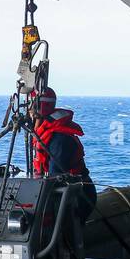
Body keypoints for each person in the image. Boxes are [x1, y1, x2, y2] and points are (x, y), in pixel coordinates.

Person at [29, 87, 97, 221]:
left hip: (78, 196)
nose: (27, 110)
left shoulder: (59, 140)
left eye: (30, 104)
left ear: (38, 106)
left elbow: (56, 179)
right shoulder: (45, 133)